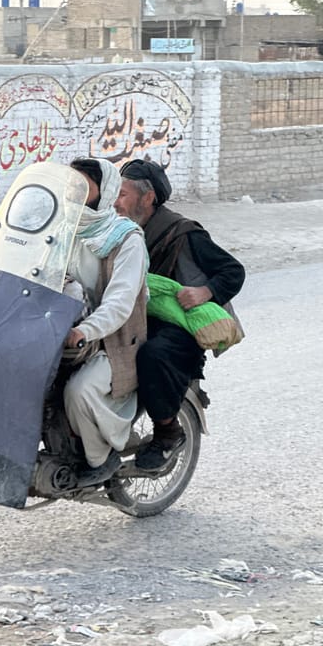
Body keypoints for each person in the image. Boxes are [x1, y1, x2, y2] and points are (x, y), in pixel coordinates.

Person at [115, 159, 245, 471]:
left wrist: (205, 291)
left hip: (176, 327)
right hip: (135, 317)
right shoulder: (119, 229)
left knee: (153, 355)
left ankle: (167, 433)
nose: (115, 202)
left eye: (122, 194)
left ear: (147, 198)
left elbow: (233, 271)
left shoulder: (182, 233)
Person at [63, 158, 149, 487]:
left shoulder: (127, 239)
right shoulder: (62, 228)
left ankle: (100, 459)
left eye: (84, 187)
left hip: (114, 339)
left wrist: (85, 330)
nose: (75, 193)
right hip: (64, 331)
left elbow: (119, 303)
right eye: (72, 185)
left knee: (80, 391)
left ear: (105, 192)